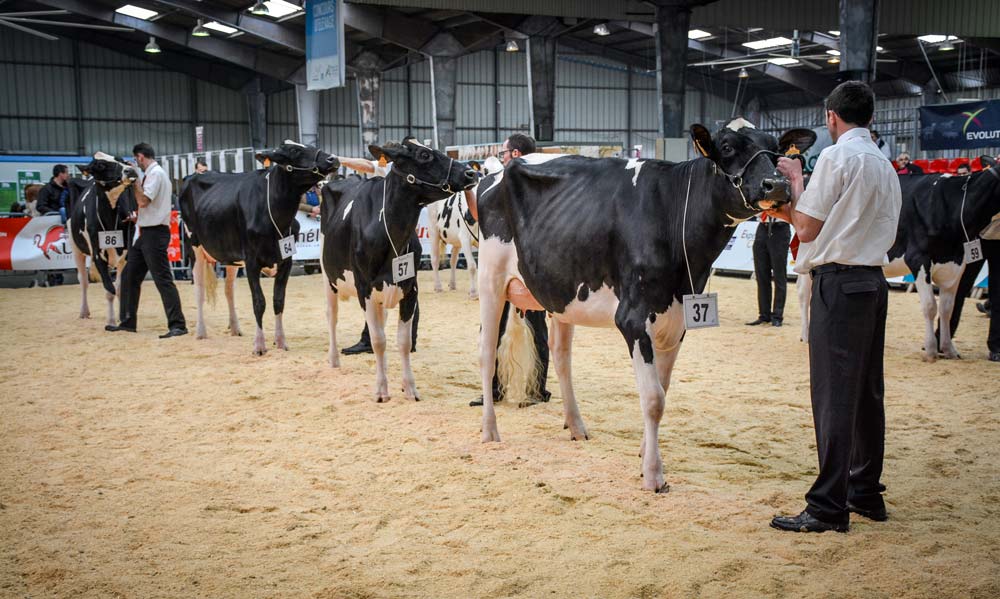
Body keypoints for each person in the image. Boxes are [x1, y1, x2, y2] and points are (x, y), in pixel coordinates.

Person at [768, 81, 902, 533]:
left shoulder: (837, 156)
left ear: (831, 116)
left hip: (839, 284)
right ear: (871, 116)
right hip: (872, 282)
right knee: (867, 392)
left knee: (833, 396)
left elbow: (806, 228)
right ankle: (865, 491)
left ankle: (828, 506)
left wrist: (788, 191)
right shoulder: (883, 162)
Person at [467, 133, 552, 407]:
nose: (502, 157)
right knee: (522, 326)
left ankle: (529, 390)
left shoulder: (513, 183)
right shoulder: (541, 183)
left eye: (505, 152)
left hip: (520, 265)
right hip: (524, 264)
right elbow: (482, 215)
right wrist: (469, 189)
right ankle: (516, 390)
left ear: (515, 154)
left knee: (505, 325)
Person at [335, 152, 419, 355]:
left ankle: (386, 339)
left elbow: (366, 165)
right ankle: (404, 339)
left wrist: (339, 160)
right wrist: (341, 160)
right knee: (404, 286)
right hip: (396, 235)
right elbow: (367, 165)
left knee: (392, 287)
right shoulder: (401, 168)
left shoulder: (399, 169)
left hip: (393, 235)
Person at [107, 143, 187, 338]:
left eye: (136, 160)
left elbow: (143, 201)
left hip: (154, 234)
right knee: (128, 277)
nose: (136, 164)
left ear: (140, 157)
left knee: (163, 279)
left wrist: (134, 181)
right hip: (144, 232)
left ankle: (178, 325)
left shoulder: (156, 174)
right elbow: (147, 205)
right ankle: (127, 322)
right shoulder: (153, 174)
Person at [746, 212, 791, 327]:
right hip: (762, 227)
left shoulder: (789, 192)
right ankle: (764, 314)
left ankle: (777, 315)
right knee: (761, 275)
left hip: (780, 227)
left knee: (779, 275)